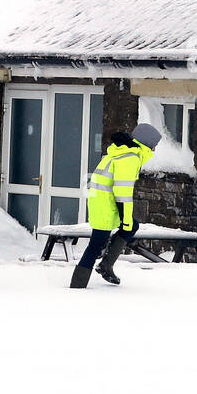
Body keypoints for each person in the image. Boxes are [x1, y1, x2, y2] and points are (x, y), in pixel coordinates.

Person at [70, 122, 161, 289]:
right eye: (154, 144)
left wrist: (126, 221)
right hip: (106, 205)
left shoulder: (120, 153)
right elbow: (123, 193)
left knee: (131, 226)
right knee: (96, 245)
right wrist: (124, 218)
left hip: (102, 202)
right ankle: (77, 286)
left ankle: (105, 266)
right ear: (146, 143)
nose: (155, 149)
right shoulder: (130, 158)